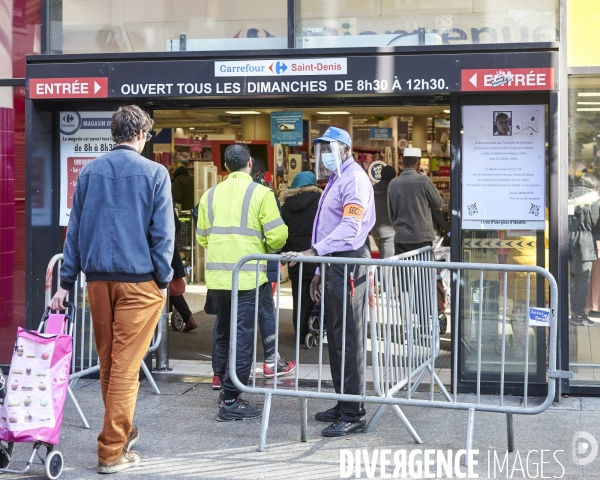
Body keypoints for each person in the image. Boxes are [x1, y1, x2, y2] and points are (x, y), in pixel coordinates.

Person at [49, 105, 173, 474]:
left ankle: (121, 430)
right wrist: (164, 282)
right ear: (141, 135)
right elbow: (162, 236)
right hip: (139, 283)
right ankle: (111, 451)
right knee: (125, 368)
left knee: (110, 362)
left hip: (97, 281)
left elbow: (75, 233)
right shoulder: (155, 173)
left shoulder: (89, 171)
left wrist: (65, 283)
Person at [283, 126, 375, 438]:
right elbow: (327, 228)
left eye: (330, 148)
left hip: (348, 262)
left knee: (348, 337)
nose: (324, 154)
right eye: (321, 148)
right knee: (335, 337)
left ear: (346, 149)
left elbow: (350, 228)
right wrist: (320, 272)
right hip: (335, 263)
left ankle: (353, 413)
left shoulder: (355, 179)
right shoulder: (338, 178)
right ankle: (343, 402)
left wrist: (314, 253)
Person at [196, 143, 295, 422]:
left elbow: (202, 236)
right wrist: (261, 244)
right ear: (249, 163)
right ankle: (230, 398)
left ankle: (224, 385)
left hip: (217, 278)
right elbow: (278, 237)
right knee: (243, 338)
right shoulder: (261, 193)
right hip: (248, 277)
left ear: (225, 166)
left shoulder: (210, 195)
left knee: (224, 332)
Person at [280, 171, 322, 343]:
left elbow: (282, 233)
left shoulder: (285, 206)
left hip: (294, 259)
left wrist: (284, 254)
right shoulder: (321, 203)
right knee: (317, 293)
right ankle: (315, 327)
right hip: (315, 256)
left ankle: (300, 331)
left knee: (298, 296)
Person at [387, 147, 444, 255]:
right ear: (418, 162)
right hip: (422, 238)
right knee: (424, 271)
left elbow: (391, 214)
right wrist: (429, 180)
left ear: (403, 162)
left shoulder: (392, 184)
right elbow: (438, 203)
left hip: (401, 238)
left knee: (403, 271)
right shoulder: (424, 181)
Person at [569, 173, 600, 326]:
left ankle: (573, 312)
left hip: (568, 240)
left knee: (573, 278)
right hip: (586, 242)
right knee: (583, 280)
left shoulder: (568, 195)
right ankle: (579, 314)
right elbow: (595, 223)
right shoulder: (593, 198)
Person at [170, 208, 198, 332]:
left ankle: (188, 318)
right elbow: (176, 226)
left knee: (172, 289)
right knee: (173, 290)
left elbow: (176, 225)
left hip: (162, 251)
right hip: (168, 250)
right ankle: (188, 318)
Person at [371, 165, 396, 259]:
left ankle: (381, 274)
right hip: (390, 229)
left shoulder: (373, 188)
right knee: (387, 261)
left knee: (382, 257)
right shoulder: (393, 188)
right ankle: (383, 274)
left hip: (375, 229)